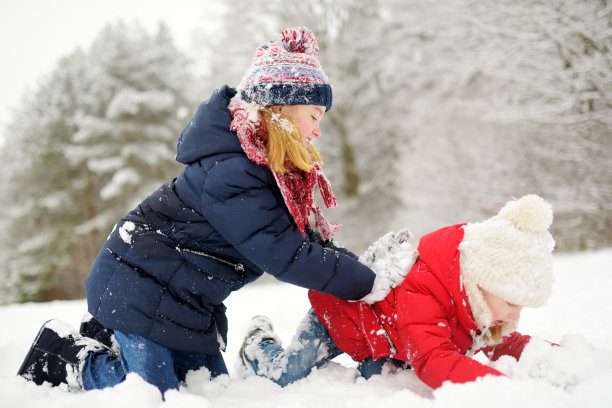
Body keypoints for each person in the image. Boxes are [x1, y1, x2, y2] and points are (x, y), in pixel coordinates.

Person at [17, 27, 403, 395]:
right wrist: (368, 284)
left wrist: (362, 269)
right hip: (133, 286)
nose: (318, 131)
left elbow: (305, 242)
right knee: (151, 392)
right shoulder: (231, 172)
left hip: (184, 302)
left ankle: (114, 341)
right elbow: (287, 255)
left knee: (207, 386)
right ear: (280, 110)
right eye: (315, 116)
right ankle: (66, 356)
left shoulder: (271, 173)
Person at [239, 194, 557, 389]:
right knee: (289, 373)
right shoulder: (426, 289)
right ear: (480, 281)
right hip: (337, 319)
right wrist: (502, 389)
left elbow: (505, 344)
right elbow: (434, 360)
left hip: (380, 342)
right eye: (513, 303)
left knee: (384, 380)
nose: (516, 315)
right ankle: (257, 342)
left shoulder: (478, 303)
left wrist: (559, 357)